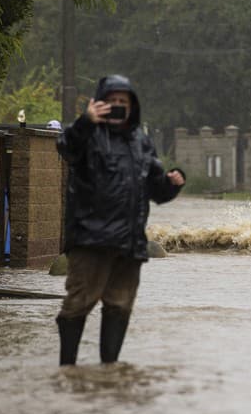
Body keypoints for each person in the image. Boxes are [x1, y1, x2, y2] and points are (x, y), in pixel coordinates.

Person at [55, 74, 185, 365]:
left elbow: (156, 191)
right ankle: (68, 369)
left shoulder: (141, 142)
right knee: (77, 305)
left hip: (129, 245)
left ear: (132, 107)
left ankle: (109, 369)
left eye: (122, 102)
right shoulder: (86, 134)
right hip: (90, 241)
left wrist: (173, 184)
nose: (116, 107)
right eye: (110, 101)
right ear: (98, 104)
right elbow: (66, 147)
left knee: (120, 306)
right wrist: (86, 121)